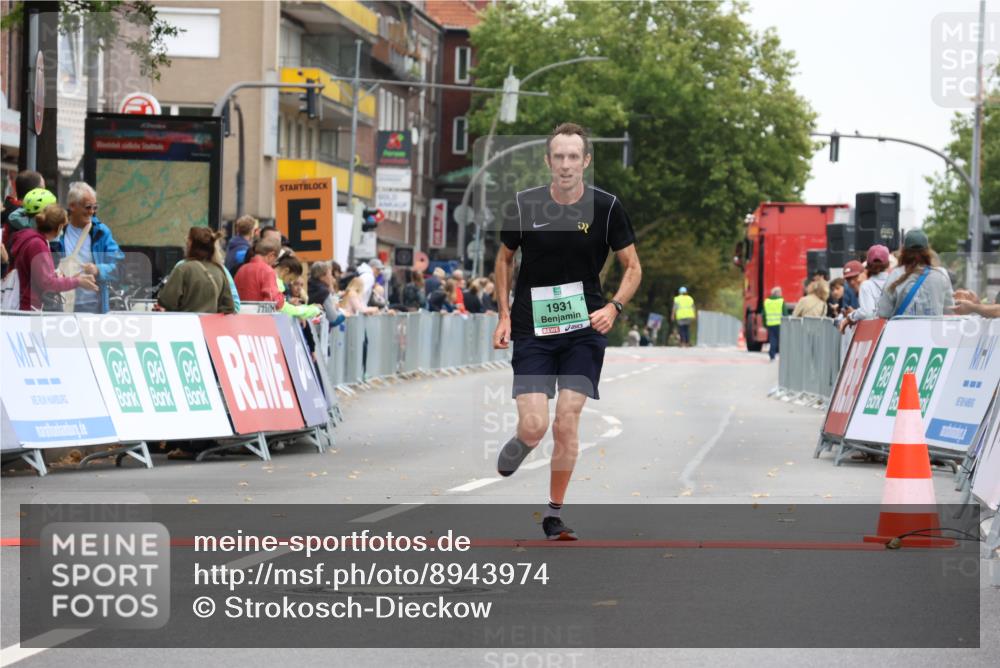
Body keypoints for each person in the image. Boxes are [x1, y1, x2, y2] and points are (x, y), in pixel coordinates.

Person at [493, 122, 641, 541]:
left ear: (586, 162)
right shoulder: (524, 205)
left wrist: (614, 307)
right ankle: (523, 441)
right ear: (547, 161)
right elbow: (504, 260)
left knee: (567, 420)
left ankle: (554, 514)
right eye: (558, 156)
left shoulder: (607, 208)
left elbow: (633, 266)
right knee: (537, 425)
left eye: (574, 156)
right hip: (532, 328)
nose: (566, 164)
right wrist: (503, 314)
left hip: (583, 329)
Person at [48, 182, 123, 313]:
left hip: (92, 304)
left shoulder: (101, 232)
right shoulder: (57, 230)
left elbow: (119, 265)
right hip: (60, 304)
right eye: (88, 207)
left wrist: (98, 269)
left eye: (95, 207)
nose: (92, 212)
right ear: (72, 206)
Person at [11, 205, 98, 310]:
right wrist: (77, 281)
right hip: (28, 307)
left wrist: (68, 278)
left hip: (23, 303)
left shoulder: (30, 238)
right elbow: (47, 283)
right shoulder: (38, 245)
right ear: (59, 227)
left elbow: (38, 276)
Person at [157, 227, 235, 314]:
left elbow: (166, 301)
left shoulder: (183, 269)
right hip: (209, 326)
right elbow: (229, 307)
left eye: (188, 239)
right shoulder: (219, 270)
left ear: (191, 244)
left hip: (186, 324)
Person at [877, 230, 954, 318]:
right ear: (927, 251)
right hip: (933, 330)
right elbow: (950, 310)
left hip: (902, 330)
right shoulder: (941, 274)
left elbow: (883, 312)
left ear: (904, 251)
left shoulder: (896, 274)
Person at [839, 245, 891, 332]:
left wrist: (850, 317)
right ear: (887, 264)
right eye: (848, 279)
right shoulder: (895, 282)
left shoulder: (866, 285)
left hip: (876, 334)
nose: (852, 282)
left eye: (855, 277)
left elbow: (867, 312)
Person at [234, 236, 285, 308]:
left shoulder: (241, 269)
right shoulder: (268, 271)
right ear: (271, 255)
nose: (274, 263)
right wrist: (281, 297)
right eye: (276, 260)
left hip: (240, 316)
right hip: (259, 317)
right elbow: (273, 302)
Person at [308, 260, 345, 325]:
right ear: (322, 277)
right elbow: (333, 318)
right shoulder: (323, 292)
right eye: (330, 274)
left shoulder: (311, 286)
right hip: (319, 331)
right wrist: (345, 315)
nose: (331, 277)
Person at [763, 286, 783, 361]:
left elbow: (764, 314)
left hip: (770, 323)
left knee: (772, 339)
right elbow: (785, 313)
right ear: (777, 293)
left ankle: (772, 354)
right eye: (780, 292)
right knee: (780, 339)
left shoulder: (767, 301)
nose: (781, 294)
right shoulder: (781, 301)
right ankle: (780, 353)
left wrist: (765, 324)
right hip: (779, 323)